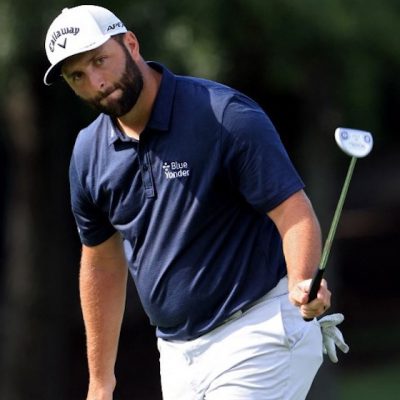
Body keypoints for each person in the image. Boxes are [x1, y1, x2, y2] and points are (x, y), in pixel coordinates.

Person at [44, 5, 348, 400]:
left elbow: (292, 210)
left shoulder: (221, 115)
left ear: (130, 44)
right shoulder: (89, 153)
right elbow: (100, 261)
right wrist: (101, 381)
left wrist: (302, 279)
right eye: (78, 76)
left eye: (101, 60)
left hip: (260, 329)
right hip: (176, 354)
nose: (97, 82)